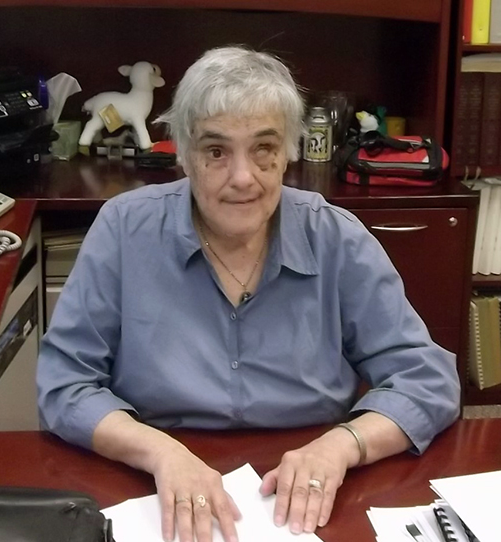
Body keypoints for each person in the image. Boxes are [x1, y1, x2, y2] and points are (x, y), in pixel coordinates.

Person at [37, 46, 460, 542]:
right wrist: (159, 452)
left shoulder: (336, 236)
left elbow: (427, 379)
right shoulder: (124, 229)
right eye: (216, 151)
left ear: (288, 153)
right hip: (150, 486)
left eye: (263, 148)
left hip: (308, 489)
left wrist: (341, 446)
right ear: (186, 156)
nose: (243, 177)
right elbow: (64, 384)